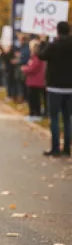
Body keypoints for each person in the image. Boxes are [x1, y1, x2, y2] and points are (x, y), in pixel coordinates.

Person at [38, 22, 72, 157]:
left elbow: (41, 55)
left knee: (55, 119)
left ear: (57, 32)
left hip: (54, 88)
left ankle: (55, 148)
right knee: (68, 118)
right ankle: (67, 149)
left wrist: (42, 41)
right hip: (70, 88)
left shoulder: (53, 46)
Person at [21, 39, 46, 122]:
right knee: (32, 98)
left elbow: (33, 68)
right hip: (32, 80)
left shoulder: (37, 57)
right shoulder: (34, 57)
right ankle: (33, 113)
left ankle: (36, 114)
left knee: (34, 99)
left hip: (35, 81)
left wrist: (24, 69)